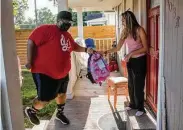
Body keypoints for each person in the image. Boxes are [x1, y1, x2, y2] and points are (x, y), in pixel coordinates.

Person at [25, 11, 94, 125]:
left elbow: (74, 46)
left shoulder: (67, 35)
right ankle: (31, 111)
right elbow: (31, 40)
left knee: (62, 94)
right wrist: (29, 60)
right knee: (44, 100)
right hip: (45, 73)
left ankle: (59, 113)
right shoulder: (46, 29)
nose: (67, 24)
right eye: (65, 21)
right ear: (58, 20)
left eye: (69, 22)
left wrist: (86, 50)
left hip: (62, 73)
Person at [102, 11, 148, 116]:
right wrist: (106, 51)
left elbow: (145, 48)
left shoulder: (139, 30)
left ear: (128, 19)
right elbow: (118, 48)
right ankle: (133, 104)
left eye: (123, 20)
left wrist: (131, 53)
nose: (122, 22)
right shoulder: (125, 31)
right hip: (130, 61)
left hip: (140, 60)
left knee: (138, 85)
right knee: (131, 84)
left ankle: (141, 108)